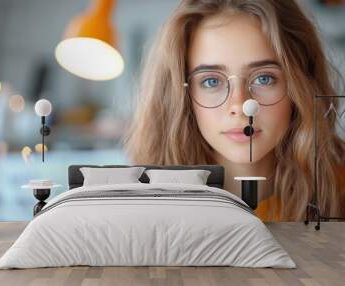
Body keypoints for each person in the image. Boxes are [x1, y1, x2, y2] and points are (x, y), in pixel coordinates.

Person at [124, 0, 345, 221]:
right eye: (211, 81)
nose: (240, 106)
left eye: (264, 78)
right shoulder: (140, 210)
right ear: (181, 96)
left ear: (301, 84)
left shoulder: (339, 191)